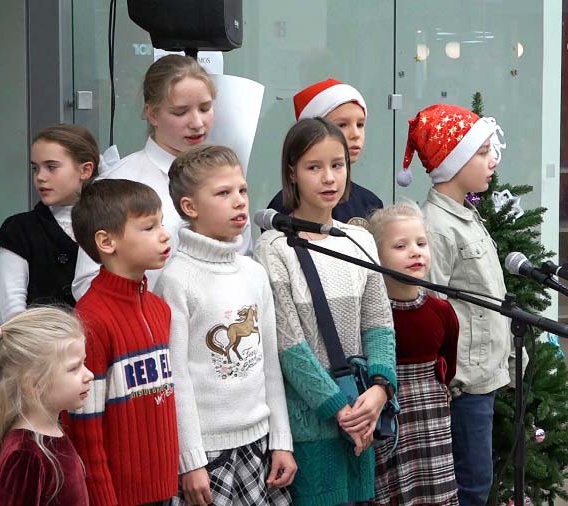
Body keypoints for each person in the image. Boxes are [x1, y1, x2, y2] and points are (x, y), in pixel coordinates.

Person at [255, 117, 396, 506]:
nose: (329, 178)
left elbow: (379, 324)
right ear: (292, 173)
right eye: (314, 167)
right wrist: (340, 410)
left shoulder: (359, 239)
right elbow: (289, 346)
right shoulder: (274, 247)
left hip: (363, 413)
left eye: (337, 165)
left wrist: (380, 389)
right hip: (313, 423)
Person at [398, 103, 523, 506]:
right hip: (463, 383)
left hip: (483, 376)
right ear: (453, 162)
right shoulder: (435, 227)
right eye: (482, 153)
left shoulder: (466, 216)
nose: (493, 161)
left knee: (477, 481)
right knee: (471, 486)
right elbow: (430, 307)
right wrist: (445, 378)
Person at [156, 145, 296, 505]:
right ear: (190, 207)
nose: (239, 201)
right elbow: (175, 379)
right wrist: (190, 460)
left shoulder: (253, 272)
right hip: (206, 454)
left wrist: (281, 440)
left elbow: (270, 364)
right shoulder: (176, 280)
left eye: (242, 190)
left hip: (259, 446)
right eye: (223, 193)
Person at [63, 179, 178, 506]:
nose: (165, 235)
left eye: (162, 223)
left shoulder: (159, 309)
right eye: (149, 227)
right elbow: (84, 428)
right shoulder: (91, 319)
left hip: (165, 489)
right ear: (106, 241)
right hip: (118, 497)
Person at [72, 54, 215, 300]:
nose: (197, 123)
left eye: (205, 108)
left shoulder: (224, 177)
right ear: (152, 114)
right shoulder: (119, 182)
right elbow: (87, 284)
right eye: (180, 112)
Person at [0, 307, 92, 506]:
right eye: (74, 368)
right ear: (35, 384)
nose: (89, 375)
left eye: (84, 363)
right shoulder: (25, 454)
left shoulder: (48, 435)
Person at [368, 202, 459, 506]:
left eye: (421, 243)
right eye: (400, 246)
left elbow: (447, 363)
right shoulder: (372, 313)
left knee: (433, 492)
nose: (415, 252)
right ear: (377, 256)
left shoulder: (441, 310)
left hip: (431, 415)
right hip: (388, 415)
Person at [0, 124, 99, 322]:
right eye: (35, 168)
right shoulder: (20, 229)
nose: (40, 177)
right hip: (39, 338)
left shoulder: (109, 223)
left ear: (85, 170)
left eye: (51, 167)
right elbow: (11, 309)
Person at [266, 78, 382, 229]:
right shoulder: (282, 209)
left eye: (360, 124)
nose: (355, 134)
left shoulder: (369, 203)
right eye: (342, 125)